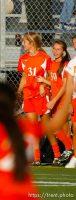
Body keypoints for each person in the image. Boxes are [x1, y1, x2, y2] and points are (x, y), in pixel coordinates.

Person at [17, 32, 60, 166]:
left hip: (41, 95)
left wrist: (42, 85)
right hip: (28, 94)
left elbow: (50, 76)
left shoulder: (44, 58)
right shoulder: (23, 58)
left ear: (32, 43)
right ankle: (36, 158)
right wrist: (18, 91)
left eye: (25, 41)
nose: (23, 43)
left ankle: (57, 155)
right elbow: (24, 77)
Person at [36, 39, 73, 165]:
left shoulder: (66, 64)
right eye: (54, 48)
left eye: (59, 49)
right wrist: (43, 84)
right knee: (59, 130)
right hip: (55, 101)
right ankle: (68, 153)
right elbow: (52, 81)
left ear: (63, 51)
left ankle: (69, 152)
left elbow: (64, 86)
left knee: (63, 130)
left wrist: (57, 101)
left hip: (63, 100)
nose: (55, 51)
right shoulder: (51, 63)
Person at [64, 35, 76, 168]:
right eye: (73, 42)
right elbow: (69, 84)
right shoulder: (72, 63)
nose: (75, 44)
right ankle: (75, 157)